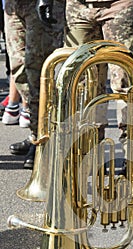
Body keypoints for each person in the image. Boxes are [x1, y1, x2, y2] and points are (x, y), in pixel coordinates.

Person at [62, 0, 133, 153]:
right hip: (78, 7)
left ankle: (132, 159)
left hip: (123, 5)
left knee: (128, 83)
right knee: (82, 83)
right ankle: (90, 151)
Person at [5, 0, 65, 169]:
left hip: (42, 4)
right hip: (13, 6)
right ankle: (36, 131)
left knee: (38, 70)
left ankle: (44, 137)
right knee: (19, 69)